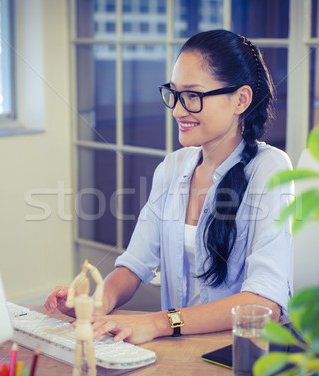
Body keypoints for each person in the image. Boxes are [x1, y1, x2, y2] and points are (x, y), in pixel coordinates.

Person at [45, 29, 294, 345]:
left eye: (193, 96)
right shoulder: (173, 168)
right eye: (174, 94)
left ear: (240, 99)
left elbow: (265, 303)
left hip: (240, 356)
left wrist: (160, 322)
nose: (177, 110)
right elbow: (133, 266)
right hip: (179, 350)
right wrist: (96, 305)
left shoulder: (270, 169)